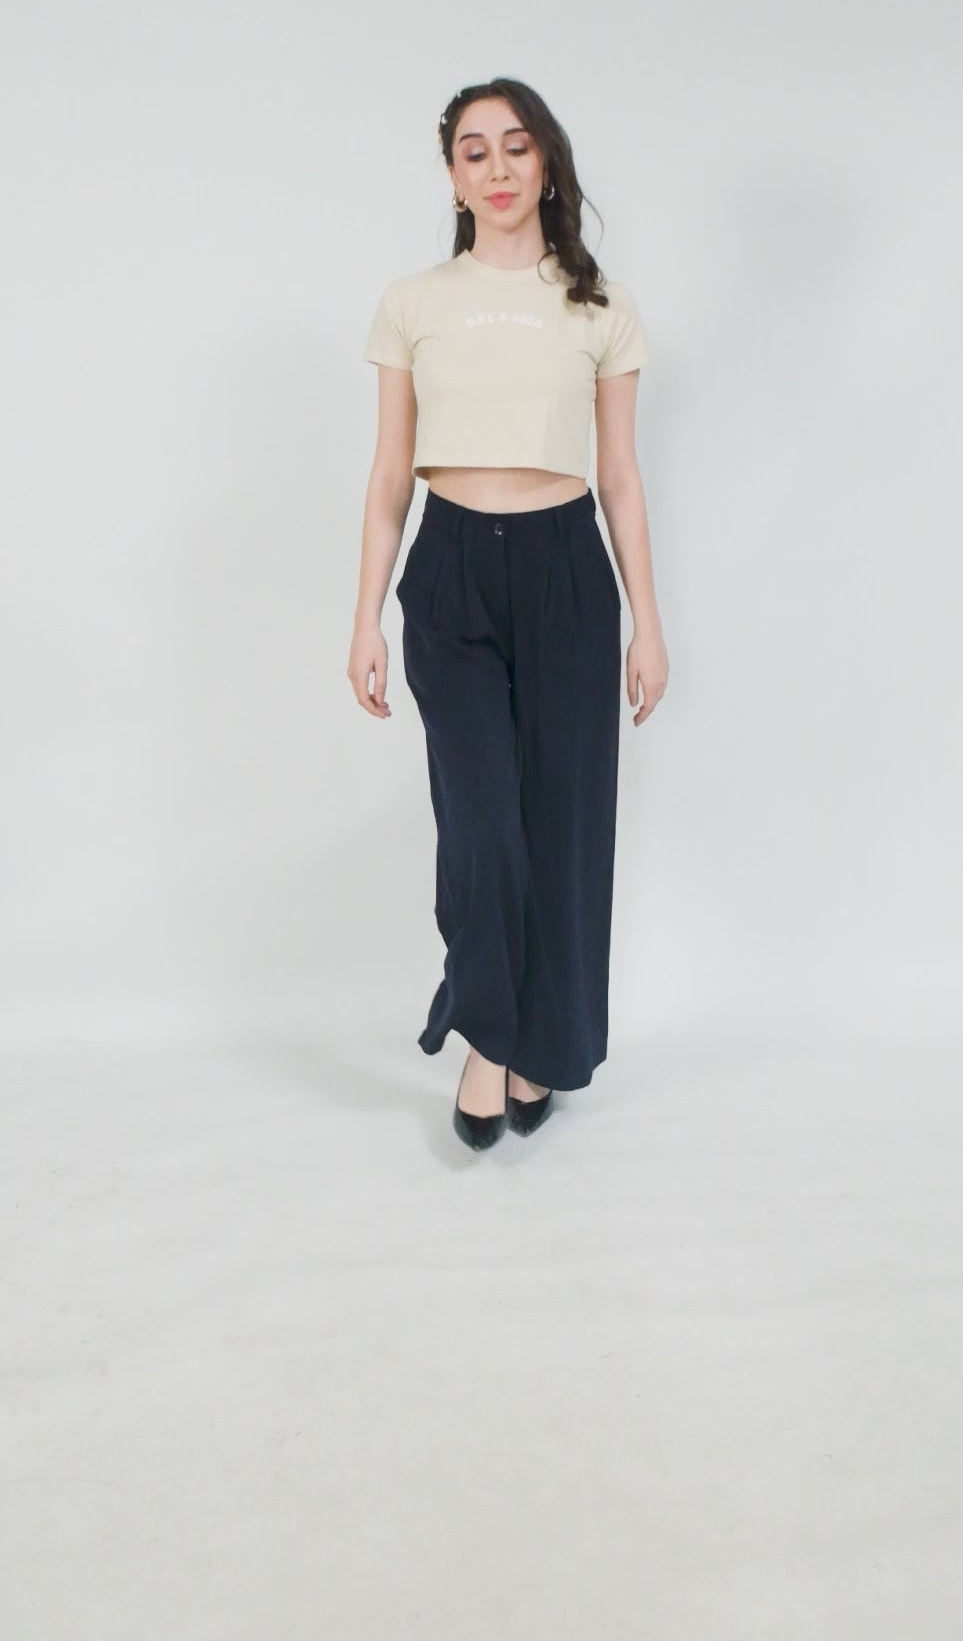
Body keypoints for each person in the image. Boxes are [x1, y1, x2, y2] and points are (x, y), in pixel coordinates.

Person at [346, 77, 668, 1151]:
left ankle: (544, 1044)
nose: (496, 169)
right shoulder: (414, 302)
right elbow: (388, 474)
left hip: (566, 568)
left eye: (515, 147)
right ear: (452, 177)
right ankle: (489, 1034)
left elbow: (620, 477)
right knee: (483, 823)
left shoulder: (600, 306)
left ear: (547, 165)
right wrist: (364, 617)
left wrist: (648, 622)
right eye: (474, 151)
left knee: (561, 824)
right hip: (450, 573)